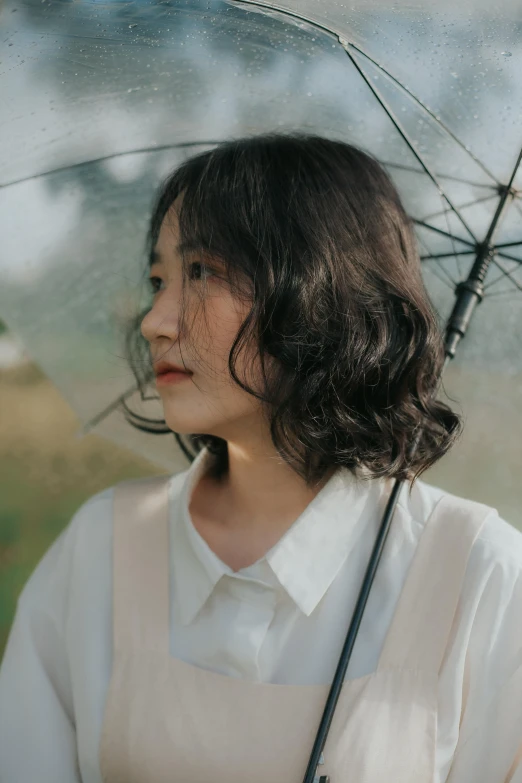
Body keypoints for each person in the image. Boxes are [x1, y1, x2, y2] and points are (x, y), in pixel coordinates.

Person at [1, 132, 522, 783]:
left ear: (318, 289)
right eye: (158, 279)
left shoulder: (480, 578)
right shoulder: (101, 549)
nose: (155, 320)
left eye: (202, 272)